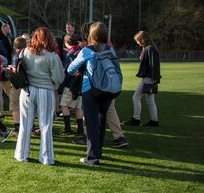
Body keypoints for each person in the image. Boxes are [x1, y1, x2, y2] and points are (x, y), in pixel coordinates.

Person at [13, 28, 65, 164]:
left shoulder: (25, 52)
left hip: (27, 90)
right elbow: (59, 78)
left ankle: (21, 154)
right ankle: (46, 157)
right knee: (46, 124)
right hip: (45, 90)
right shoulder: (52, 56)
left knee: (25, 124)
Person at [67, 21, 113, 165]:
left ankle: (92, 157)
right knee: (101, 120)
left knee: (91, 123)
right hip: (107, 88)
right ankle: (98, 152)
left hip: (90, 89)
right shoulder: (110, 50)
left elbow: (70, 68)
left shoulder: (87, 50)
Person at [124, 30, 161, 127]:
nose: (137, 42)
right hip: (149, 77)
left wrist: (155, 79)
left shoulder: (150, 49)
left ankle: (136, 119)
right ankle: (154, 120)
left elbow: (154, 65)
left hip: (149, 78)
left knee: (136, 97)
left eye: (138, 40)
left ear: (143, 39)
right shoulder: (148, 48)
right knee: (150, 100)